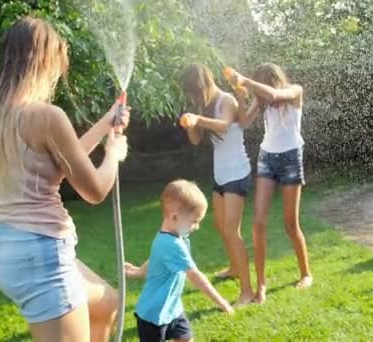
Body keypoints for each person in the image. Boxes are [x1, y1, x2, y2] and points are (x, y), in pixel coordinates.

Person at [0, 16, 130, 342]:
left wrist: (106, 124)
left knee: (107, 302)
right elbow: (95, 190)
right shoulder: (45, 116)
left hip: (8, 249)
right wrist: (113, 153)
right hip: (42, 257)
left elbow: (61, 162)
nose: (58, 74)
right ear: (43, 61)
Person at [227, 63, 312, 304]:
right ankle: (261, 286)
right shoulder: (261, 99)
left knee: (290, 223)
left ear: (273, 79)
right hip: (267, 157)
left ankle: (306, 274)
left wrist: (246, 81)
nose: (261, 91)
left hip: (291, 158)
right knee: (258, 222)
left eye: (262, 82)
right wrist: (241, 95)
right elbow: (243, 122)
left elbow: (275, 94)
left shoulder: (294, 91)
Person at [178, 63, 255, 305]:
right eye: (191, 93)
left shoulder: (226, 100)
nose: (195, 96)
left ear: (205, 83)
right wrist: (190, 125)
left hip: (237, 171)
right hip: (221, 173)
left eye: (195, 91)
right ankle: (234, 267)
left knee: (232, 230)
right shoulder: (203, 105)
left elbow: (223, 125)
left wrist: (198, 118)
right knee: (221, 226)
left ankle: (247, 290)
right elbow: (195, 140)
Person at [124, 179, 234, 342]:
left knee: (186, 339)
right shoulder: (172, 244)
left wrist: (139, 271)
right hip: (153, 314)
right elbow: (196, 277)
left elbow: (155, 259)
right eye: (194, 221)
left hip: (173, 308)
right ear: (174, 217)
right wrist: (221, 302)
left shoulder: (172, 237)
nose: (197, 227)